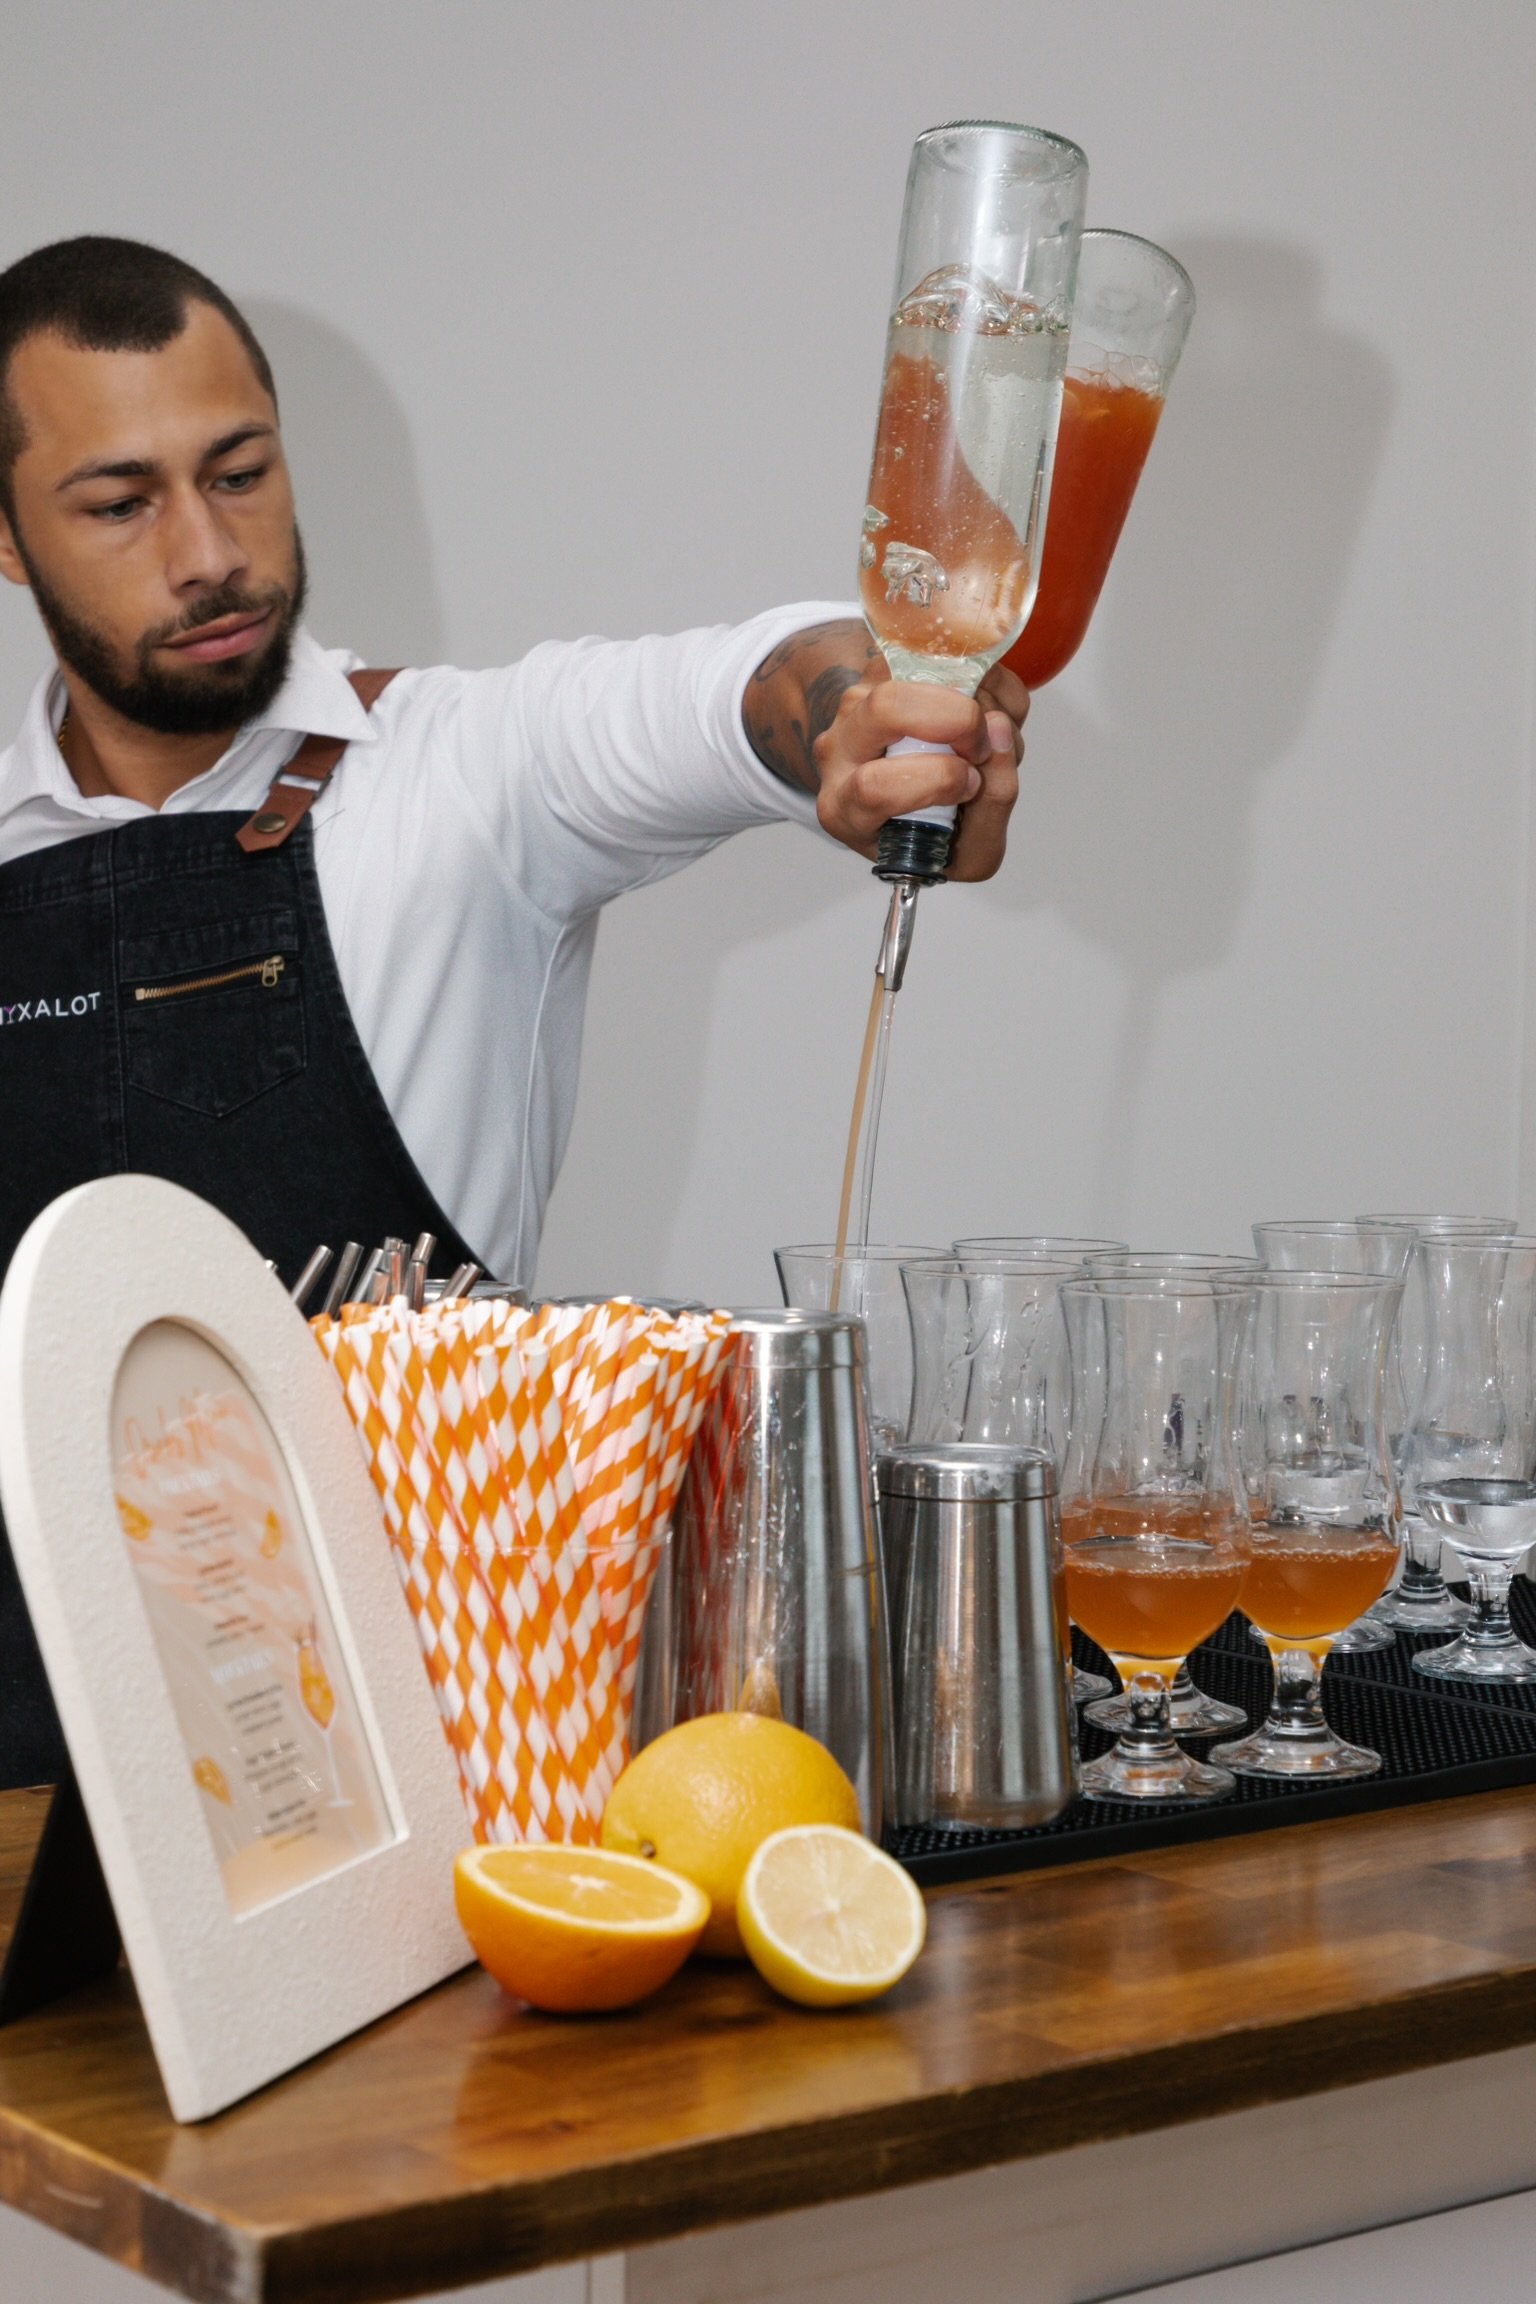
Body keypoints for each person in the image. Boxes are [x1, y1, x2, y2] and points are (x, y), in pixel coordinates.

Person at [0, 236, 1026, 1782]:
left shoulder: (469, 775)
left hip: (427, 1749)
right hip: (28, 1767)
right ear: (8, 540)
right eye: (120, 503)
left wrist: (860, 719)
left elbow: (749, 684)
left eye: (241, 472)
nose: (208, 552)